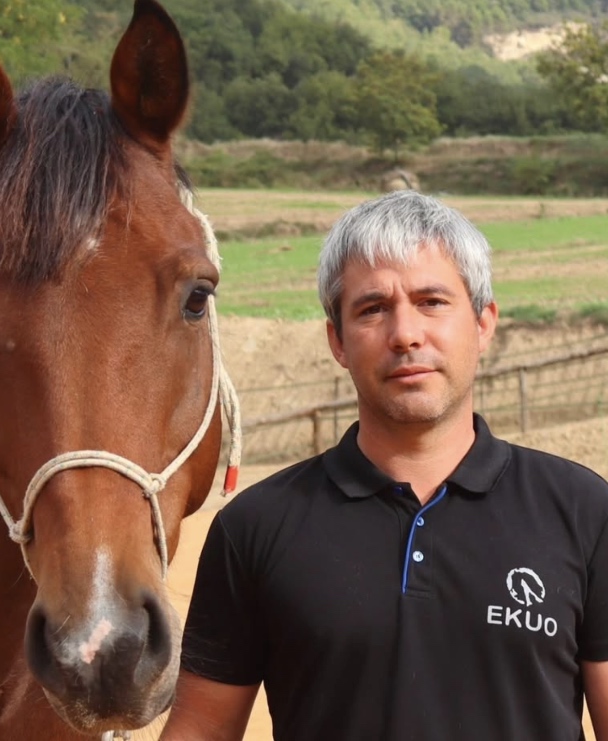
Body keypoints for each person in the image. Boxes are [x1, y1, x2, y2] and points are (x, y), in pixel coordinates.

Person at [160, 190, 608, 741]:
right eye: (372, 309)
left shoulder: (584, 511)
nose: (405, 334)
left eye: (432, 302)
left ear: (484, 323)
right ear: (337, 341)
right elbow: (201, 728)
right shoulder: (255, 527)